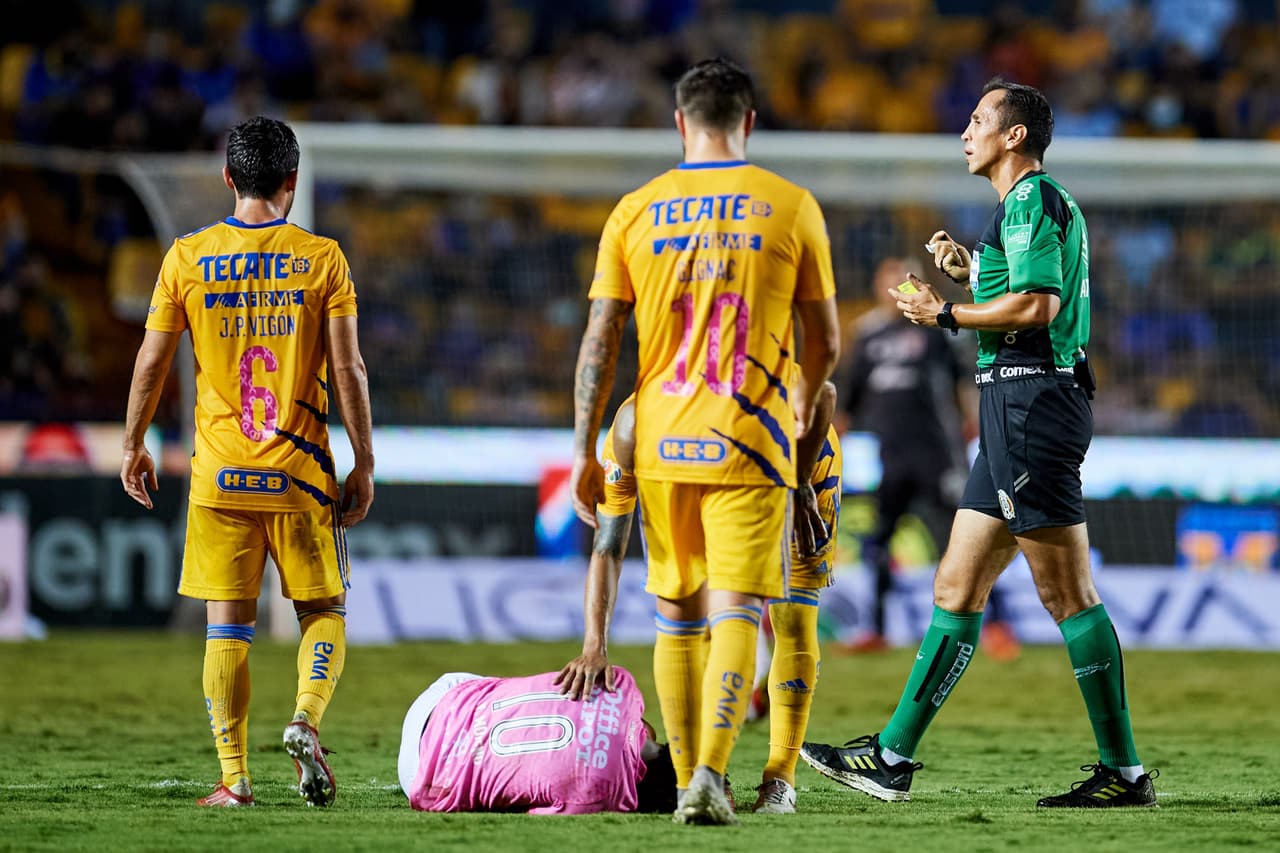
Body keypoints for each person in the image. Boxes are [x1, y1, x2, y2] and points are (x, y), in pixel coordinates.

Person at [800, 79, 1158, 808]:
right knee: (955, 585)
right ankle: (892, 757)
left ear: (1014, 136)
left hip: (1031, 402)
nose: (966, 133)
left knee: (1067, 593)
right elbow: (1022, 290)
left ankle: (1124, 774)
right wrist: (974, 270)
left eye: (977, 121)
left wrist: (946, 312)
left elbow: (1036, 306)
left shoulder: (1030, 200)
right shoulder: (1024, 210)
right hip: (1011, 405)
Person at [568, 58, 840, 825]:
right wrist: (804, 407)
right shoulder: (790, 206)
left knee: (676, 613)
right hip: (748, 438)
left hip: (657, 438)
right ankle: (710, 776)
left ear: (680, 124)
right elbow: (826, 340)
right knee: (735, 613)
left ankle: (689, 771)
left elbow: (600, 339)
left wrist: (587, 447)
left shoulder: (634, 211)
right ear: (749, 123)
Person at [120, 116, 375, 808]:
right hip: (299, 473)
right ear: (292, 182)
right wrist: (364, 461)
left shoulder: (187, 256)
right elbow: (348, 367)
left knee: (226, 625)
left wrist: (133, 441)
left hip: (220, 474)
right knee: (324, 607)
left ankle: (234, 779)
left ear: (229, 178)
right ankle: (305, 717)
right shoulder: (323, 259)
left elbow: (152, 359)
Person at [557, 378, 842, 815]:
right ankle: (706, 774)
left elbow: (824, 393)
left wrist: (801, 478)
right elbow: (608, 546)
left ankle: (780, 779)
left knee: (793, 613)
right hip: (712, 476)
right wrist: (594, 647)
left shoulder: (759, 407)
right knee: (695, 609)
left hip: (800, 462)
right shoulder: (631, 430)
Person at [840, 256, 1020, 661]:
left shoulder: (937, 329)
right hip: (891, 458)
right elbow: (850, 399)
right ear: (879, 286)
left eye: (904, 279)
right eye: (890, 279)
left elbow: (965, 378)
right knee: (878, 544)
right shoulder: (868, 337)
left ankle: (997, 624)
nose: (898, 287)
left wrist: (974, 418)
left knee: (965, 542)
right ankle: (878, 629)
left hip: (938, 455)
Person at [397, 667, 677, 814]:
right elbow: (535, 810)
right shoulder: (601, 797)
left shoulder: (622, 684)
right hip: (423, 773)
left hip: (444, 694)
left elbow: (642, 729)